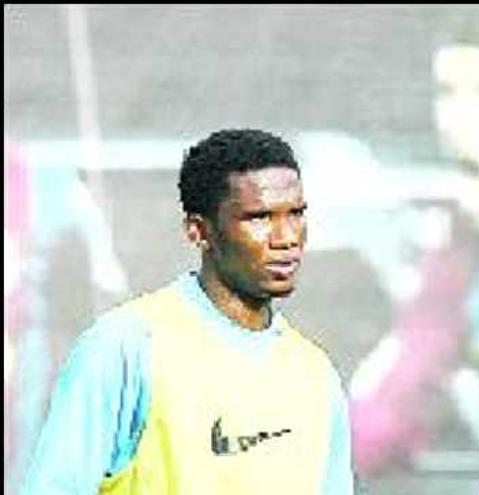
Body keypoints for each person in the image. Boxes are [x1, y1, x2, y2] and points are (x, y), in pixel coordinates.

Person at [21, 129, 354, 494]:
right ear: (199, 232)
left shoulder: (315, 376)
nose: (286, 237)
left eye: (296, 214)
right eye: (259, 218)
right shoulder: (125, 349)